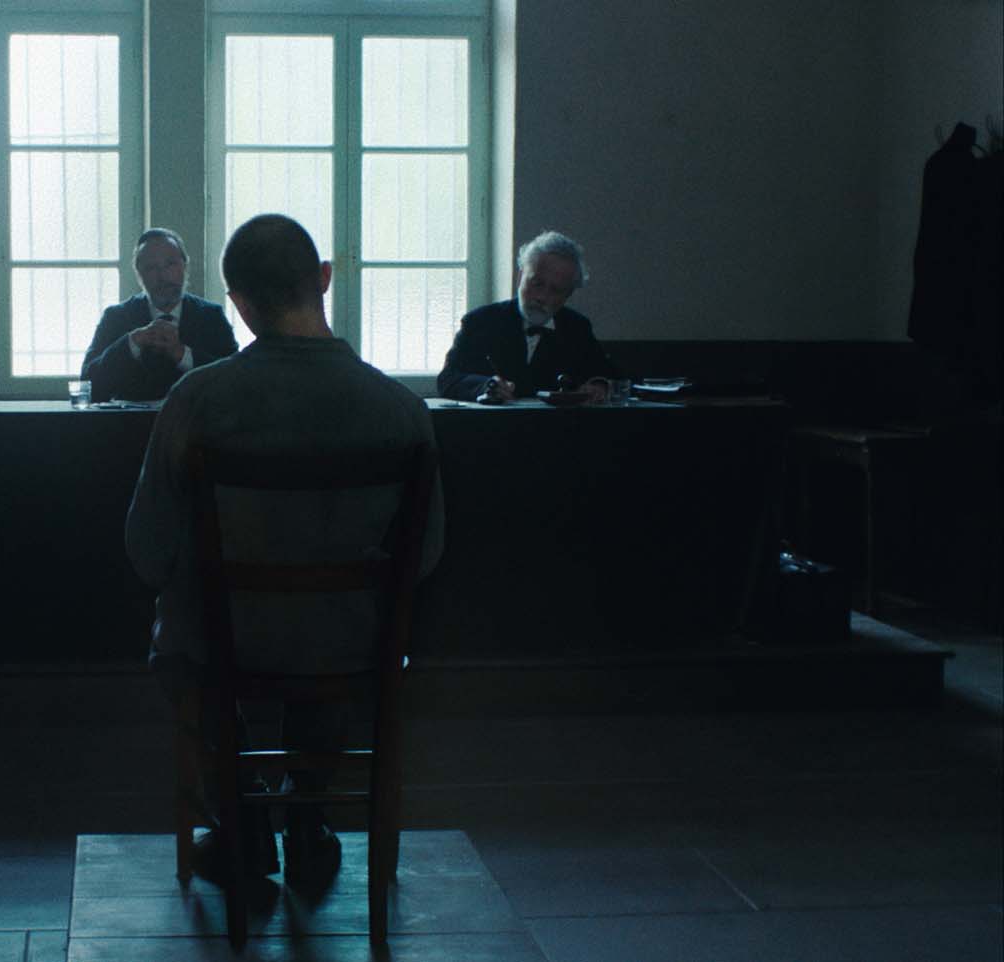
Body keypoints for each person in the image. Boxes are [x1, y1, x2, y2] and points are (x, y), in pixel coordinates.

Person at [126, 213, 445, 886]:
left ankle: (242, 818)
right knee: (327, 632)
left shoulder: (198, 399)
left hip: (226, 641)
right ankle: (308, 810)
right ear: (323, 278)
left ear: (238, 304)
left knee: (185, 647)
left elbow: (147, 550)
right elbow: (426, 555)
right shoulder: (400, 409)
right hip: (350, 644)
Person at [437, 230, 618, 402]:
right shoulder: (481, 322)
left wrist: (599, 387)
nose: (542, 297)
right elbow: (448, 379)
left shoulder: (577, 328)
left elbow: (607, 376)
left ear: (568, 295)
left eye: (556, 290)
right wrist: (486, 386)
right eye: (537, 284)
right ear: (520, 277)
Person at [81, 228, 239, 402]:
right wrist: (132, 343)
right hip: (129, 419)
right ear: (139, 275)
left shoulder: (211, 316)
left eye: (170, 264)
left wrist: (182, 355)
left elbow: (236, 380)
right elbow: (87, 384)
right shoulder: (116, 317)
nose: (163, 276)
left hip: (196, 419)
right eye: (151, 268)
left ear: (185, 266)